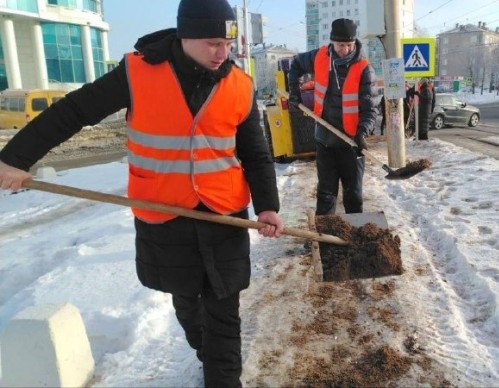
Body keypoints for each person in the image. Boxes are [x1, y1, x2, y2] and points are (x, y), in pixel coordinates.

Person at [0, 0, 284, 386]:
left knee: (224, 310)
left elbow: (256, 153)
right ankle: (209, 355)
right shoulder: (137, 73)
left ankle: (222, 376)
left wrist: (267, 207)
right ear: (186, 36)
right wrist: (17, 158)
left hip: (224, 216)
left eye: (228, 44)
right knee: (187, 303)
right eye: (213, 43)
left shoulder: (240, 85)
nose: (223, 54)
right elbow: (73, 111)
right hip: (164, 214)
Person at [287, 18, 377, 215]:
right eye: (340, 45)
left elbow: (370, 109)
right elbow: (295, 65)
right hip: (324, 140)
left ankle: (355, 238)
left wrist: (363, 131)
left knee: (353, 196)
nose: (344, 50)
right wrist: (294, 92)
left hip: (351, 144)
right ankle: (325, 238)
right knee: (326, 195)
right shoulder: (320, 56)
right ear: (332, 42)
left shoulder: (364, 69)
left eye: (348, 45)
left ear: (354, 43)